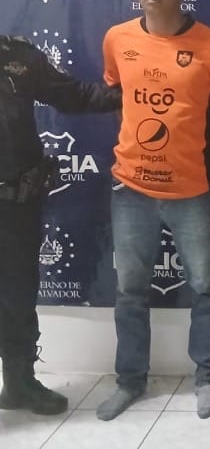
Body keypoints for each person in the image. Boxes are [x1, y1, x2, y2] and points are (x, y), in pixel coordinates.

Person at [96, 0, 210, 421]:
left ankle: (207, 380)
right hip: (131, 189)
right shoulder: (117, 38)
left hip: (193, 189)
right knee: (129, 291)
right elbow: (119, 97)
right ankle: (130, 381)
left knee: (206, 287)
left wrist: (203, 149)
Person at [0, 35, 120, 415]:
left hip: (14, 205)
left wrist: (135, 93)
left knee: (17, 296)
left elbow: (73, 95)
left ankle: (19, 384)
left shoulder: (19, 56)